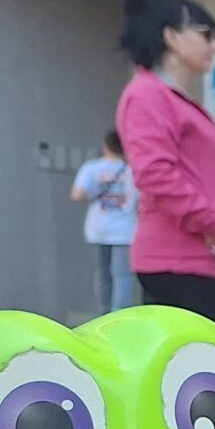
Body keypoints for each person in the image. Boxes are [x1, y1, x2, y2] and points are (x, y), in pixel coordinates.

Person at [115, 0, 215, 327]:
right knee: (198, 374)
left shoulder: (167, 97)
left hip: (194, 258)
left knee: (203, 370)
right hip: (177, 259)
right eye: (205, 34)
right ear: (171, 37)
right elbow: (155, 174)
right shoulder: (147, 96)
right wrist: (211, 225)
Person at [71, 131, 136, 315]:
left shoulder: (91, 168)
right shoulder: (133, 170)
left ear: (105, 146)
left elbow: (77, 195)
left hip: (97, 230)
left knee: (102, 275)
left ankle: (103, 314)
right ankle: (121, 314)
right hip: (125, 231)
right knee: (123, 275)